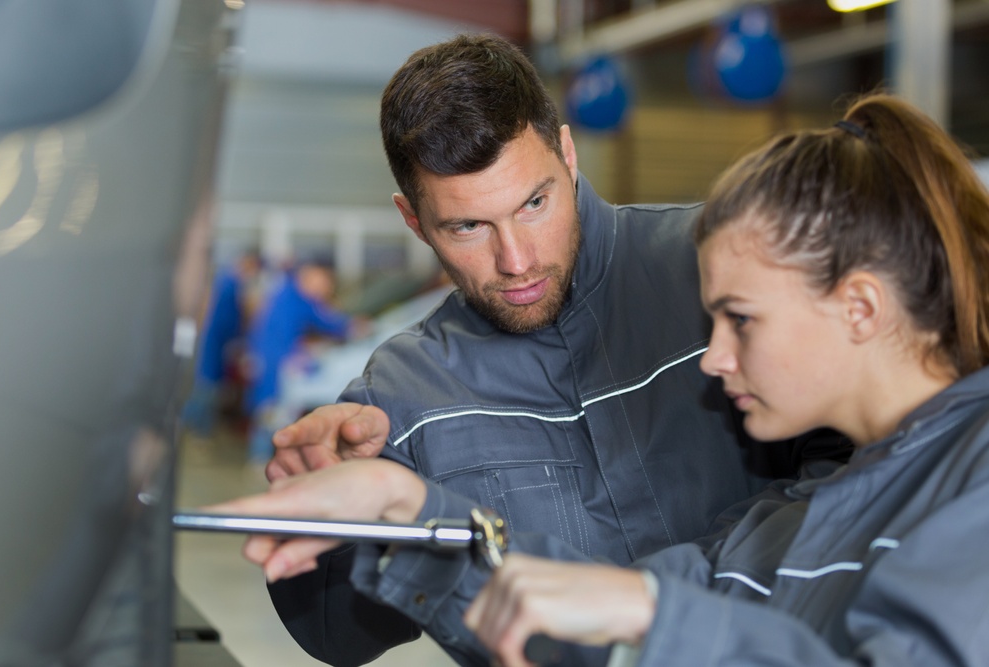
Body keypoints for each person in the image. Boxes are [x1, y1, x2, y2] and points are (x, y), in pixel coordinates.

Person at [242, 33, 849, 666]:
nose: (517, 261)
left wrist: (659, 599)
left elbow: (860, 477)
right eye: (468, 227)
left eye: (534, 203)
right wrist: (342, 520)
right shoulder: (404, 396)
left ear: (567, 153)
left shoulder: (717, 273)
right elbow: (337, 637)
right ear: (414, 221)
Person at [244, 259, 360, 463]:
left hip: (271, 358)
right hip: (275, 361)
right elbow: (326, 320)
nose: (325, 288)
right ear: (311, 275)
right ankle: (261, 458)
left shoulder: (285, 292)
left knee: (271, 409)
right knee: (271, 410)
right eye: (324, 282)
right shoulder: (296, 297)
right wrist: (352, 326)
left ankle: (262, 456)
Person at [182, 249, 262, 437]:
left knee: (207, 386)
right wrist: (241, 336)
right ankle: (195, 429)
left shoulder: (227, 281)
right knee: (206, 388)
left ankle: (195, 428)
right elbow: (228, 320)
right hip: (215, 343)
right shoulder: (230, 284)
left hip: (216, 343)